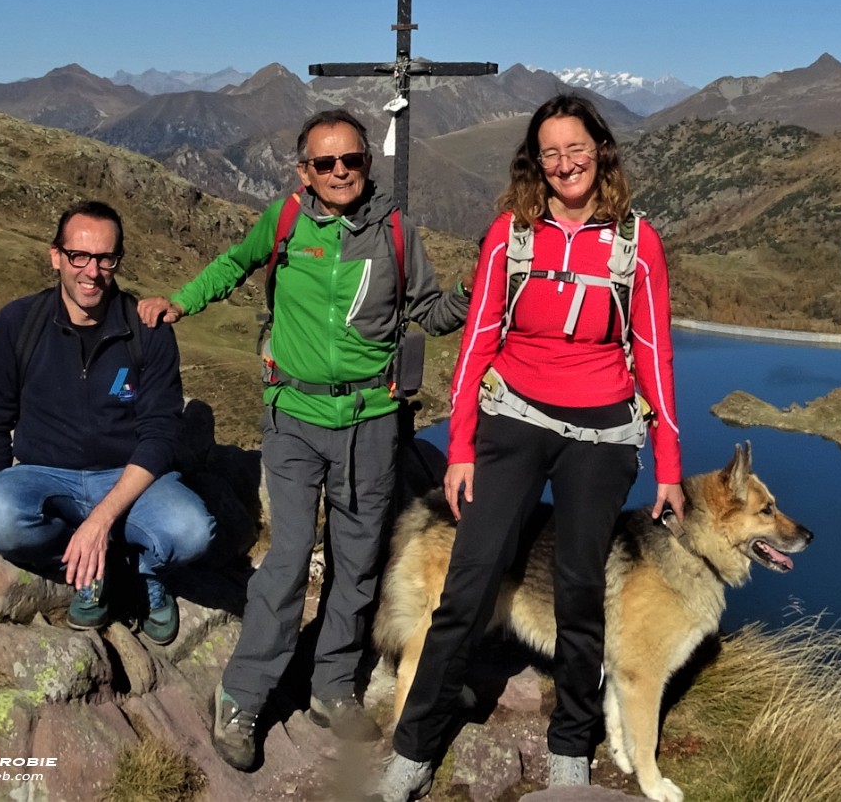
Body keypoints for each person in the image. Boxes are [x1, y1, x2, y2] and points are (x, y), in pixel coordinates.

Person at [137, 109, 470, 768]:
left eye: (351, 160)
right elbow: (234, 263)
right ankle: (242, 694)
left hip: (372, 423)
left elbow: (431, 310)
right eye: (325, 163)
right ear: (303, 170)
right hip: (292, 416)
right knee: (288, 558)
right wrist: (179, 301)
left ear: (367, 164)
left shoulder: (398, 233)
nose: (340, 171)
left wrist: (474, 285)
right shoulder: (284, 220)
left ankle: (331, 687)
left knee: (357, 563)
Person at [379, 94, 685, 801]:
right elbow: (477, 343)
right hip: (513, 420)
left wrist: (667, 463)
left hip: (603, 434)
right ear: (534, 162)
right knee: (471, 576)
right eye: (549, 152)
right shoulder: (511, 235)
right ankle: (416, 745)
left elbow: (654, 357)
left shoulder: (637, 243)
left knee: (580, 589)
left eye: (576, 148)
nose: (564, 163)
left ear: (600, 150)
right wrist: (460, 448)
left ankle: (571, 744)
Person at [0, 200, 215, 648]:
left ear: (117, 260)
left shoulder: (148, 331)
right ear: (56, 257)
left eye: (105, 258)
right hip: (45, 472)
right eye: (79, 256)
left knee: (193, 531)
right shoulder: (19, 323)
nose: (91, 271)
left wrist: (100, 520)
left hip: (129, 477)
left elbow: (160, 434)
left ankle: (141, 571)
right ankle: (88, 570)